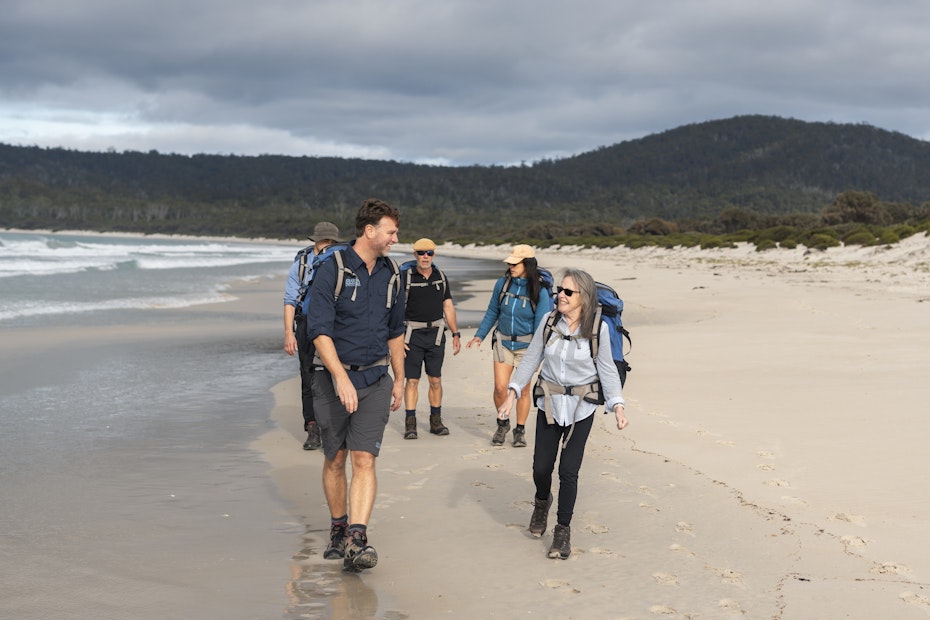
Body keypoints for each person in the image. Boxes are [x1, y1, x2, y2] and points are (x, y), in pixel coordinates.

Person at [497, 268, 628, 560]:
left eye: (568, 292)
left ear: (584, 297)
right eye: (559, 290)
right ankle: (542, 502)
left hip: (582, 407)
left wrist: (617, 405)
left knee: (568, 471)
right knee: (541, 468)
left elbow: (606, 369)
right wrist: (513, 393)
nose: (560, 296)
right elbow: (531, 359)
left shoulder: (598, 328)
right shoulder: (548, 322)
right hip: (550, 405)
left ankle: (562, 530)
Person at [304, 198, 406, 573]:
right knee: (336, 458)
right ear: (370, 231)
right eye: (391, 231)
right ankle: (338, 527)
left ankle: (357, 537)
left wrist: (401, 379)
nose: (396, 238)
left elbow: (396, 331)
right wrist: (340, 376)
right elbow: (319, 330)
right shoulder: (331, 267)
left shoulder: (392, 274)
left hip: (376, 378)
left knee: (364, 457)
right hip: (332, 378)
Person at [466, 244, 553, 447]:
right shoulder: (502, 284)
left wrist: (538, 355)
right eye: (510, 263)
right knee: (500, 388)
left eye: (516, 263)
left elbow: (541, 326)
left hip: (527, 347)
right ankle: (503, 422)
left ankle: (520, 430)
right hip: (503, 342)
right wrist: (479, 336)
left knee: (522, 390)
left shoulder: (539, 291)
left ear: (528, 265)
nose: (511, 266)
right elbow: (492, 312)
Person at [283, 221, 342, 450]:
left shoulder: (342, 261)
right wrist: (289, 333)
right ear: (315, 242)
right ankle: (312, 428)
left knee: (335, 374)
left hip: (336, 324)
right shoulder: (301, 264)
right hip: (306, 325)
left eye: (331, 241)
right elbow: (290, 301)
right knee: (308, 378)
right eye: (324, 241)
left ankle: (334, 428)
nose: (327, 245)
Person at [401, 238, 461, 439]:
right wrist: (397, 338)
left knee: (435, 379)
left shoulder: (440, 277)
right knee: (412, 380)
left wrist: (455, 333)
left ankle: (436, 422)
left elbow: (448, 306)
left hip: (436, 336)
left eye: (429, 253)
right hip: (411, 337)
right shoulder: (405, 278)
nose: (425, 257)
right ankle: (411, 424)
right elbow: (394, 310)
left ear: (434, 254)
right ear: (414, 255)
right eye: (421, 253)